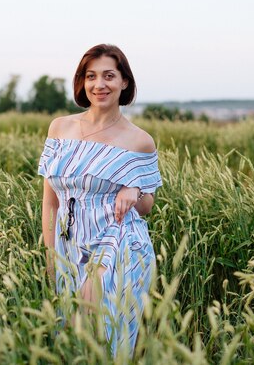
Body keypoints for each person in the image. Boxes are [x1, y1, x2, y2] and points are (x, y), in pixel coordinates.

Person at [38, 44, 162, 358]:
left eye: (109, 75)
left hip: (117, 239)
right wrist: (51, 252)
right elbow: (50, 200)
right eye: (91, 76)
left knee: (97, 326)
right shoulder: (60, 128)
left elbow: (148, 204)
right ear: (82, 82)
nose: (99, 84)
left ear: (124, 82)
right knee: (70, 335)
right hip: (69, 240)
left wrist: (134, 193)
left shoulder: (139, 140)